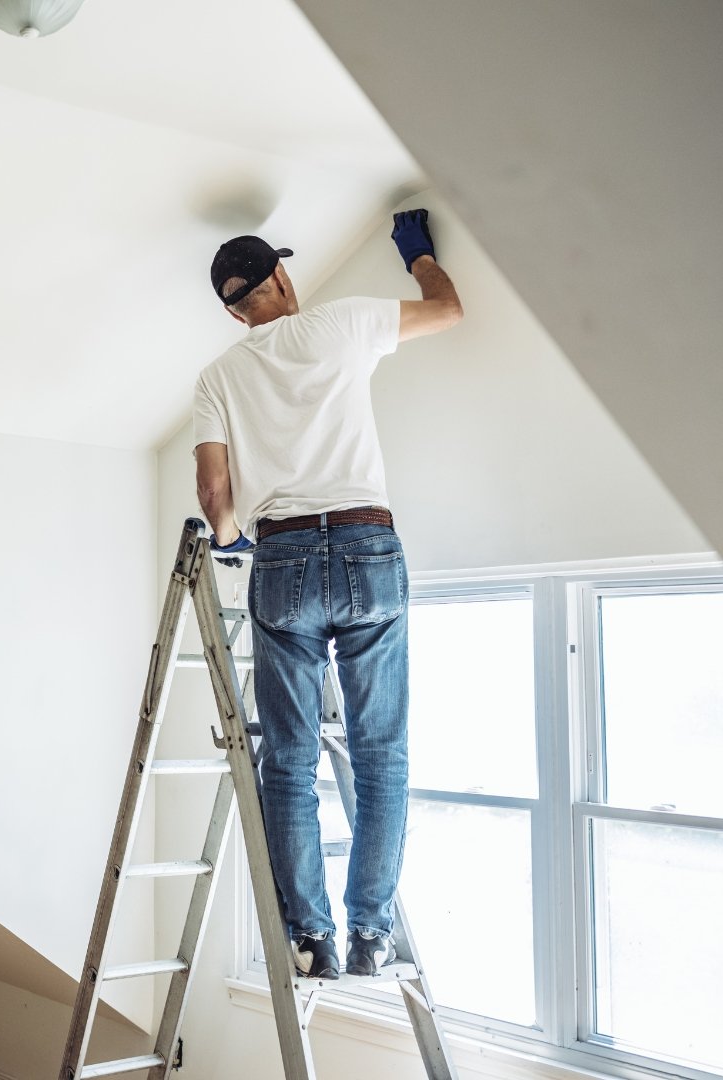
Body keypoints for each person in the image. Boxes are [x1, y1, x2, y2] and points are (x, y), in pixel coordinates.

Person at [193, 210, 463, 979]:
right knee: (380, 756)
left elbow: (216, 496)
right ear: (280, 278)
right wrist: (418, 257)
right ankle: (370, 934)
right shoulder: (340, 325)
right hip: (365, 543)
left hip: (281, 560)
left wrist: (234, 539)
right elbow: (448, 310)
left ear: (233, 308)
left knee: (288, 760)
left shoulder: (218, 376)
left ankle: (311, 938)